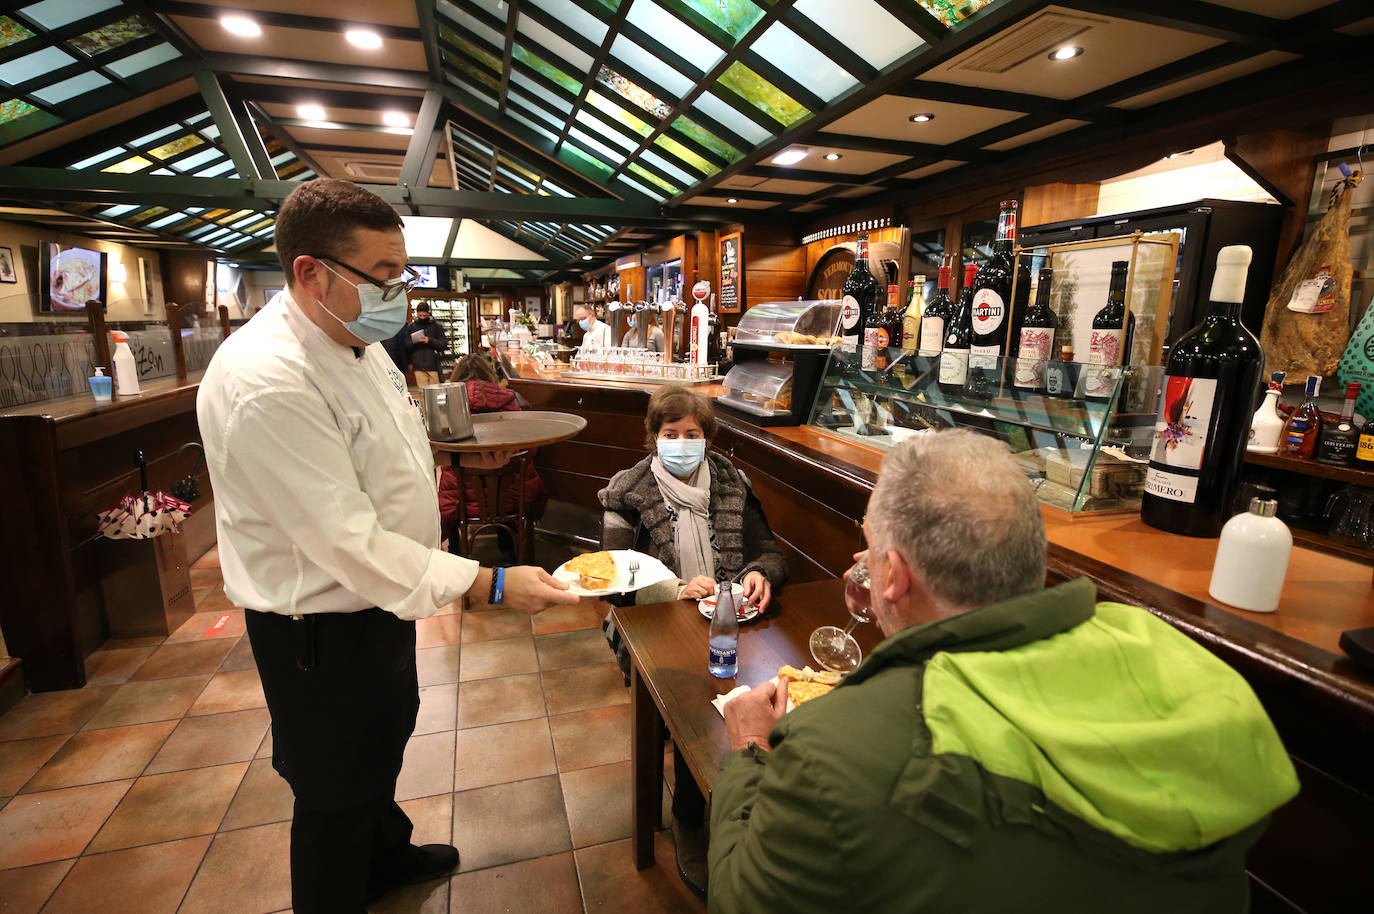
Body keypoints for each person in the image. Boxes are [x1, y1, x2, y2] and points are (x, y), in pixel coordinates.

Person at [710, 430, 1300, 914]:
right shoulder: (1185, 671)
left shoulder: (828, 749)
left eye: (871, 545)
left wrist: (750, 746)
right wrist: (894, 603)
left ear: (891, 573)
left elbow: (742, 900)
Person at [196, 178, 579, 914]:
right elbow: (346, 543)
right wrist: (490, 584)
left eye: (400, 272)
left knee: (385, 734)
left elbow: (391, 450)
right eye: (381, 276)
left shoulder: (356, 342)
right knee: (335, 784)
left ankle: (386, 855)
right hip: (319, 626)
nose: (398, 292)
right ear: (310, 272)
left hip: (379, 606)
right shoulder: (268, 380)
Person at [599, 386, 787, 898]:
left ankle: (757, 799)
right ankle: (689, 816)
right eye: (670, 434)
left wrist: (759, 574)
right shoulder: (626, 491)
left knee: (760, 688)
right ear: (653, 437)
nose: (681, 443)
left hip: (730, 615)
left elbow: (768, 550)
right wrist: (677, 587)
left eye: (692, 435)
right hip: (653, 621)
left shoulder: (732, 481)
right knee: (694, 702)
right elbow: (612, 579)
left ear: (708, 439)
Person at [438, 354, 548, 556]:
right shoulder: (509, 401)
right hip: (513, 497)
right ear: (490, 374)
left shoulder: (449, 406)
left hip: (463, 501)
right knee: (515, 485)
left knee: (449, 485)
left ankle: (457, 554)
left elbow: (442, 452)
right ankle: (510, 548)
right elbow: (530, 449)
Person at [406, 302, 447, 387]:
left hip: (433, 365)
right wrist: (415, 341)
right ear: (417, 313)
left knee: (435, 391)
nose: (422, 318)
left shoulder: (437, 326)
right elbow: (406, 345)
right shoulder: (412, 327)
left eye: (424, 316)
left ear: (428, 313)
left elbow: (444, 344)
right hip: (418, 365)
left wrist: (429, 340)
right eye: (420, 316)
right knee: (422, 392)